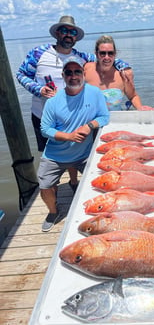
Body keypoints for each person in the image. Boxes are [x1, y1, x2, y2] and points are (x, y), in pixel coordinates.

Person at [16, 16, 130, 192]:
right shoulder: (38, 53)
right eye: (64, 31)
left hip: (75, 113)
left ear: (76, 37)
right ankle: (54, 185)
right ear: (57, 33)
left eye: (72, 32)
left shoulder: (81, 57)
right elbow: (21, 74)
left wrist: (125, 68)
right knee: (52, 149)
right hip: (44, 113)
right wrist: (38, 89)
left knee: (75, 147)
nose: (68, 35)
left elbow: (107, 59)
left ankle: (74, 181)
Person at [38, 55, 109, 232]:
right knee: (44, 186)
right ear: (63, 76)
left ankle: (99, 210)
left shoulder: (94, 93)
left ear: (83, 74)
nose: (73, 76)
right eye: (68, 72)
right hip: (55, 155)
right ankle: (53, 212)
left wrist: (89, 125)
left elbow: (104, 117)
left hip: (84, 155)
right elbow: (45, 129)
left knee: (103, 182)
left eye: (77, 71)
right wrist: (68, 136)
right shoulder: (53, 102)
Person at [84, 35, 154, 111]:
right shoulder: (86, 70)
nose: (107, 57)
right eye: (102, 53)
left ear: (115, 54)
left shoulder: (123, 75)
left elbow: (133, 96)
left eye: (110, 53)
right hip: (92, 121)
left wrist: (140, 107)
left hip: (117, 119)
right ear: (96, 54)